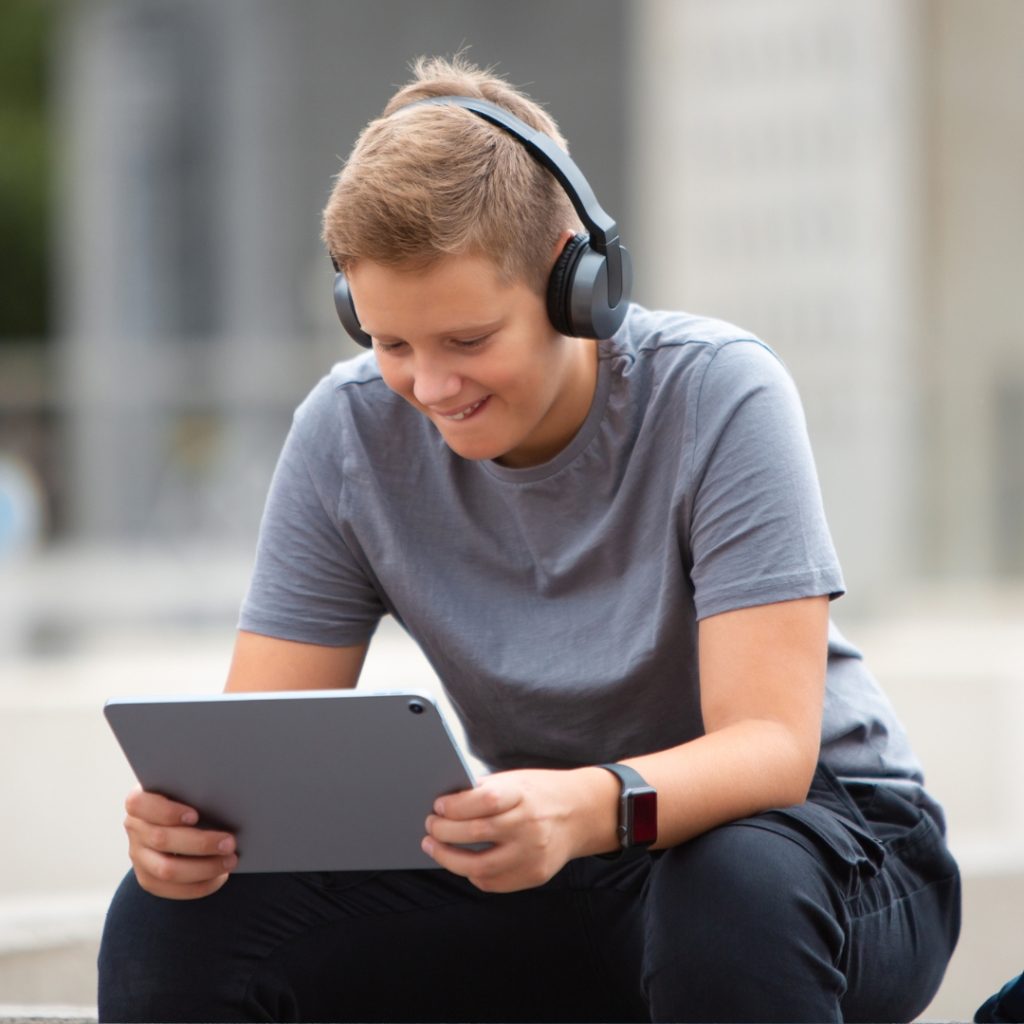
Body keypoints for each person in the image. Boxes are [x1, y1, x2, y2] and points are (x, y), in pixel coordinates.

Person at [98, 55, 961, 1023]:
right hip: (555, 863)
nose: (430, 387)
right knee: (176, 915)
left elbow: (768, 747)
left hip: (817, 848)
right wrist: (194, 833)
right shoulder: (344, 433)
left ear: (573, 282)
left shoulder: (718, 391)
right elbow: (256, 757)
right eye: (390, 344)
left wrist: (584, 805)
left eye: (467, 340)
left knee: (727, 889)